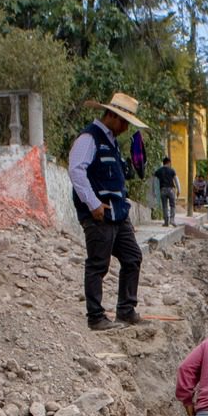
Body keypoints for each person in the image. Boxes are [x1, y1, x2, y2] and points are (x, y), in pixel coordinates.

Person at [68, 91, 147, 331]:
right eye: (123, 121)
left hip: (118, 215)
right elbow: (76, 171)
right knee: (98, 264)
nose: (125, 127)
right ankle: (96, 317)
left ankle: (126, 310)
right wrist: (92, 203)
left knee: (132, 257)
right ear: (111, 116)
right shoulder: (89, 138)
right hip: (99, 215)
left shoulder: (111, 142)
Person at [156, 156, 180, 227]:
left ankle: (166, 222)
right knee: (172, 205)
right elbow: (176, 180)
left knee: (164, 206)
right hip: (171, 190)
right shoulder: (172, 170)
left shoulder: (159, 171)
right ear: (169, 162)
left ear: (163, 163)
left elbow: (154, 177)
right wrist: (179, 190)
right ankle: (172, 220)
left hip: (162, 189)